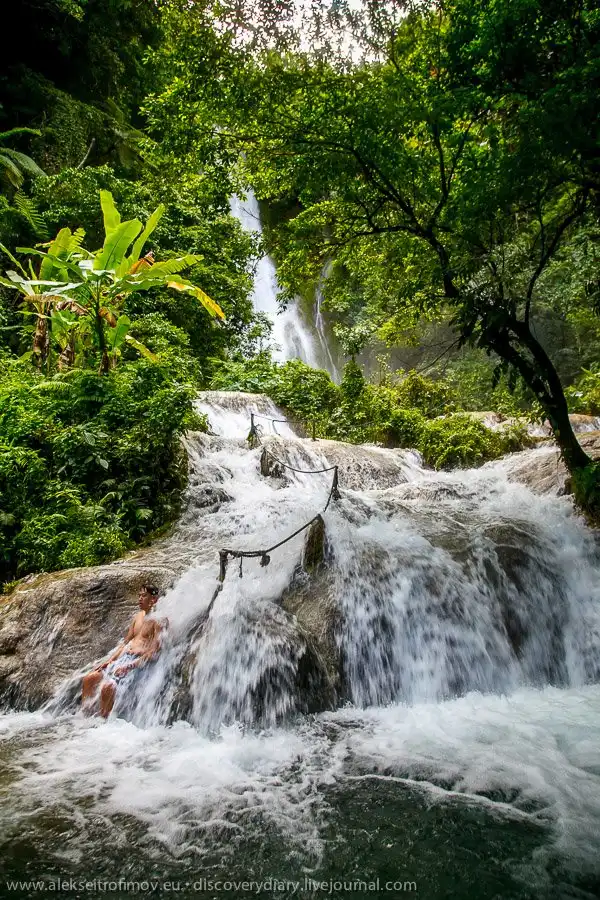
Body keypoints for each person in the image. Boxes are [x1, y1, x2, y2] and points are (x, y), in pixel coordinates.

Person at [81, 585, 163, 718]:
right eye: (139, 596)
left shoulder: (159, 620)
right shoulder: (137, 617)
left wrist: (130, 666)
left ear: (154, 599)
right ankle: (85, 717)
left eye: (144, 596)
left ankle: (103, 721)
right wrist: (109, 661)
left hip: (140, 665)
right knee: (89, 679)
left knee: (108, 687)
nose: (140, 599)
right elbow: (125, 643)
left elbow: (154, 652)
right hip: (124, 659)